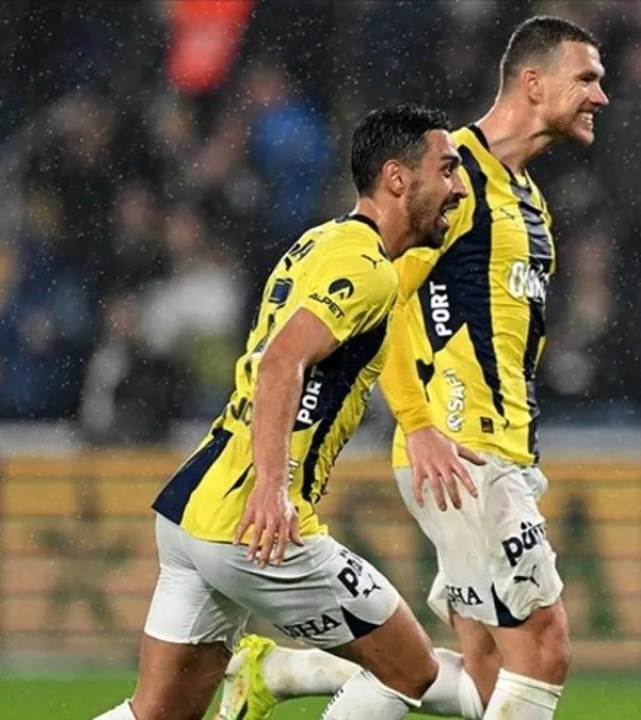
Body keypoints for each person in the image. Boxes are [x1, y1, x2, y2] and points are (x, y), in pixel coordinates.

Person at [220, 15, 609, 720]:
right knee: (544, 649)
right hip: (462, 450)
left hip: (499, 449)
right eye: (586, 78)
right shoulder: (451, 176)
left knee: (483, 673)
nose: (599, 96)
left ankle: (284, 669)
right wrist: (419, 423)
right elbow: (388, 297)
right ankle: (285, 669)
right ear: (533, 82)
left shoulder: (528, 197)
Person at [92, 102, 468, 720]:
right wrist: (273, 488)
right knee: (413, 671)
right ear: (398, 179)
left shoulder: (321, 241)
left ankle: (270, 671)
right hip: (256, 522)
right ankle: (276, 671)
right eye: (447, 170)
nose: (458, 189)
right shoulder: (368, 271)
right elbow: (279, 363)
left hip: (194, 506)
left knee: (157, 715)